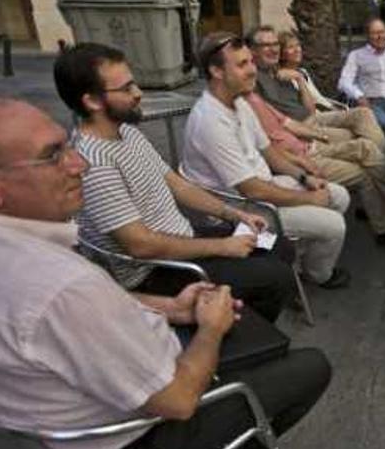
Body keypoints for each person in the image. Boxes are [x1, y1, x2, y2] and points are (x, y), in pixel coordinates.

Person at [0, 97, 331, 449]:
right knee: (309, 365)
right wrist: (210, 330)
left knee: (260, 304)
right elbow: (178, 401)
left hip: (87, 411)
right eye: (52, 156)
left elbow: (53, 324)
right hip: (137, 442)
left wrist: (171, 308)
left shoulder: (10, 254)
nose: (77, 164)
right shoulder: (62, 286)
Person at [53, 43, 297, 324]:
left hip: (182, 237)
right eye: (126, 88)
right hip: (153, 271)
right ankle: (231, 337)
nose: (138, 93)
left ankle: (238, 314)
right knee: (276, 278)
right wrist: (223, 246)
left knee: (279, 247)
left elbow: (177, 184)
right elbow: (141, 246)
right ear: (92, 101)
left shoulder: (126, 132)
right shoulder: (93, 163)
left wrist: (234, 214)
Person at [181, 32, 351, 289]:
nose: (252, 70)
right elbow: (251, 189)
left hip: (263, 189)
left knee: (338, 195)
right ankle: (318, 275)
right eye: (241, 64)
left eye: (250, 61)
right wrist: (308, 198)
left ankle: (296, 260)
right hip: (241, 211)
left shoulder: (239, 102)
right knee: (334, 224)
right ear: (216, 71)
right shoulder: (210, 121)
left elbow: (268, 151)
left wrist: (304, 177)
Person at [247, 26, 385, 160]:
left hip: (313, 118)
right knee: (356, 136)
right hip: (302, 127)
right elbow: (275, 123)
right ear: (252, 51)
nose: (273, 49)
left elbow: (310, 110)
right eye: (267, 45)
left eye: (275, 44)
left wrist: (299, 79)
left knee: (364, 113)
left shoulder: (283, 73)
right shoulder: (254, 79)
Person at [338, 18, 385, 151]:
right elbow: (343, 82)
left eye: (382, 32)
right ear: (368, 36)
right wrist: (359, 96)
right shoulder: (356, 55)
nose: (380, 36)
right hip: (369, 104)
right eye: (375, 33)